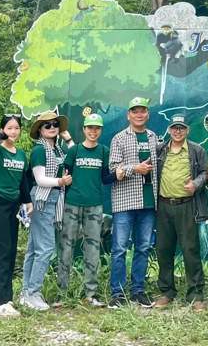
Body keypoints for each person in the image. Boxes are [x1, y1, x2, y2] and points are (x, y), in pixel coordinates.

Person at [57, 113, 121, 307]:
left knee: (92, 249)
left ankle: (90, 294)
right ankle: (61, 294)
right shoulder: (74, 151)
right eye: (90, 128)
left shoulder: (103, 151)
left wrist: (117, 175)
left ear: (100, 130)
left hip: (94, 206)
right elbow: (65, 177)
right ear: (84, 129)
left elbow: (105, 178)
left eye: (97, 128)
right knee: (66, 248)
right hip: (72, 204)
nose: (93, 131)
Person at [108, 97, 161, 308]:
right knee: (119, 248)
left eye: (142, 111)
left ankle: (138, 291)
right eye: (135, 111)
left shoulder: (153, 137)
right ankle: (117, 293)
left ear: (147, 114)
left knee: (143, 247)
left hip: (149, 203)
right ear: (128, 115)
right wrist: (134, 169)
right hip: (125, 202)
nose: (139, 114)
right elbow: (113, 169)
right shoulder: (119, 138)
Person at [155, 114, 208, 311]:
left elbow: (205, 173)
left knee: (190, 250)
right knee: (163, 250)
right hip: (163, 206)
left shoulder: (196, 150)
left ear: (187, 130)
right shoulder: (160, 150)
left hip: (187, 206)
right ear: (169, 130)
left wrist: (195, 184)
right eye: (175, 128)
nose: (178, 131)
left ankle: (196, 294)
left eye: (182, 128)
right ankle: (166, 292)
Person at [21, 111, 74, 311]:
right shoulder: (39, 150)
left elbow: (77, 155)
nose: (52, 128)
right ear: (40, 130)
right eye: (47, 125)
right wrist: (60, 181)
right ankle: (33, 293)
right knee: (45, 248)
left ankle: (26, 292)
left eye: (55, 124)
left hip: (52, 198)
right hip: (42, 199)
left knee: (34, 248)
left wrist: (68, 139)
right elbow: (40, 179)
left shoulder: (58, 149)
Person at [0, 114, 33, 318]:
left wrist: (27, 201)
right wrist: (0, 135)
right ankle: (2, 303)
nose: (13, 132)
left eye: (16, 128)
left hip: (14, 204)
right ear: (3, 129)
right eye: (9, 128)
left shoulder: (21, 154)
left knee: (10, 249)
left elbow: (23, 182)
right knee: (1, 250)